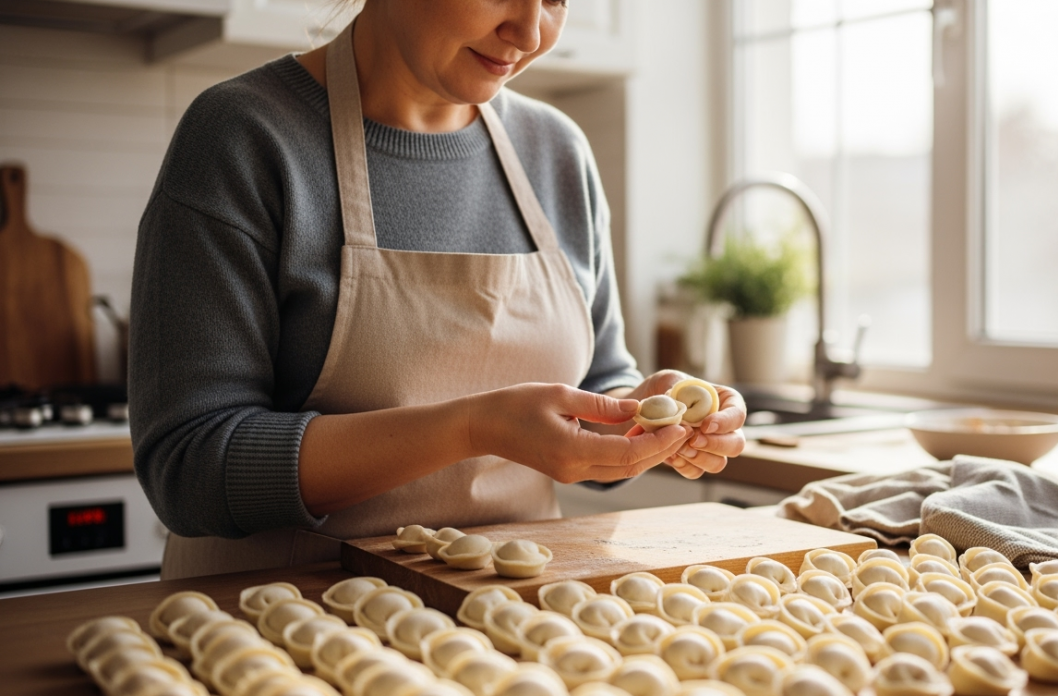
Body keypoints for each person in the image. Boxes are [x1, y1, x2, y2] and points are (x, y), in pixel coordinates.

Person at [130, 0, 747, 580]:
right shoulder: (242, 137)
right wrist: (473, 429)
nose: (529, 34)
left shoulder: (556, 151)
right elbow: (188, 470)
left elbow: (600, 380)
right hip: (272, 626)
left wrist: (637, 418)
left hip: (513, 625)